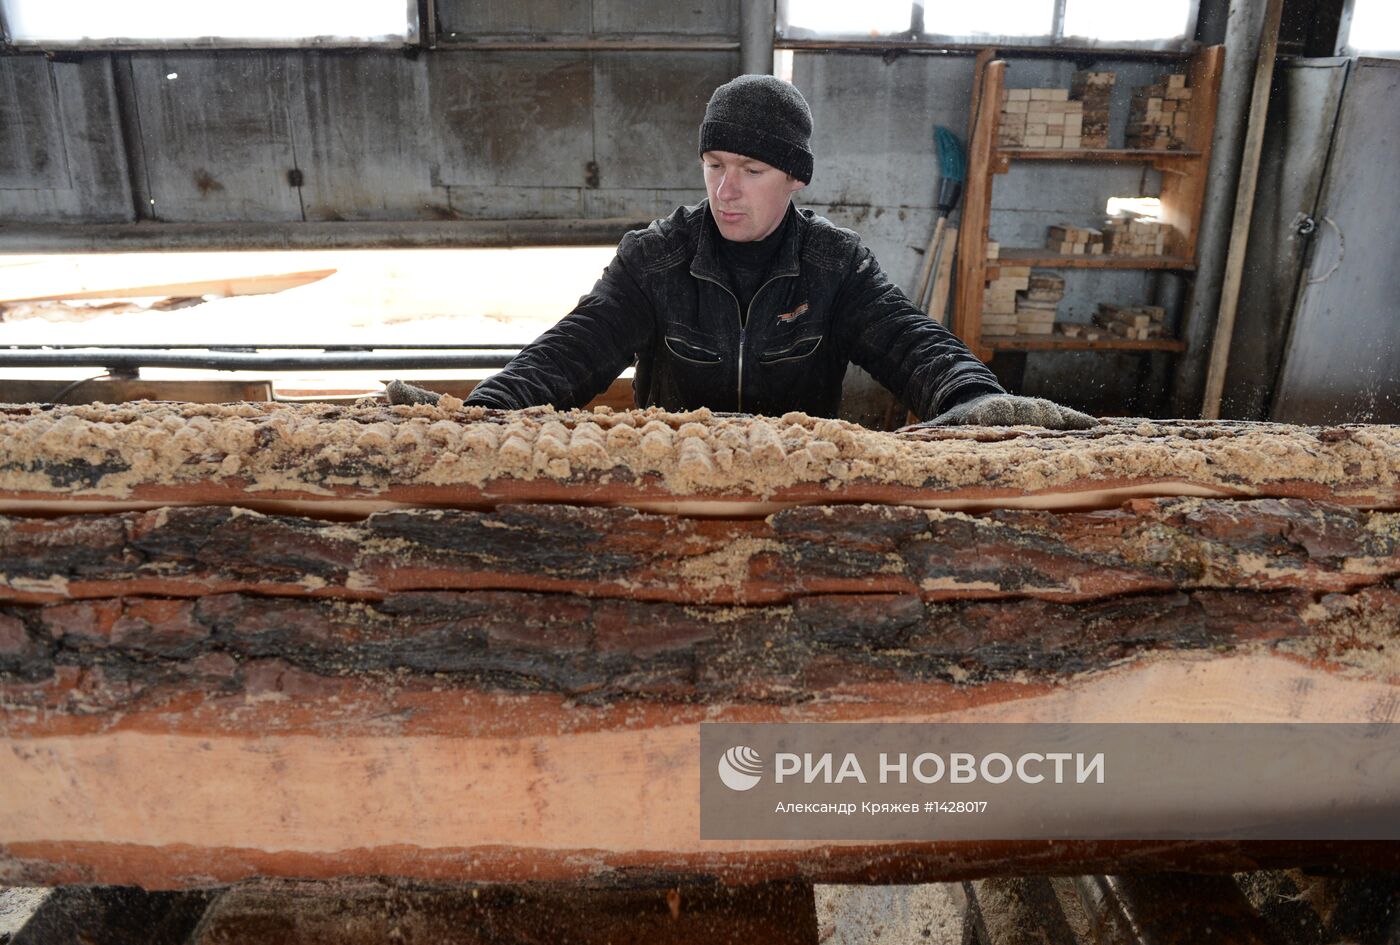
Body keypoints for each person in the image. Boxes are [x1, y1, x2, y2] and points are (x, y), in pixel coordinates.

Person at [389, 75, 1094, 431]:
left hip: (797, 497)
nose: (728, 190)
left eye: (752, 172)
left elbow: (914, 345)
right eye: (715, 164)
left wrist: (978, 403)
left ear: (794, 177)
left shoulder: (835, 266)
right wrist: (475, 418)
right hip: (676, 488)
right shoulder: (656, 260)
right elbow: (567, 355)